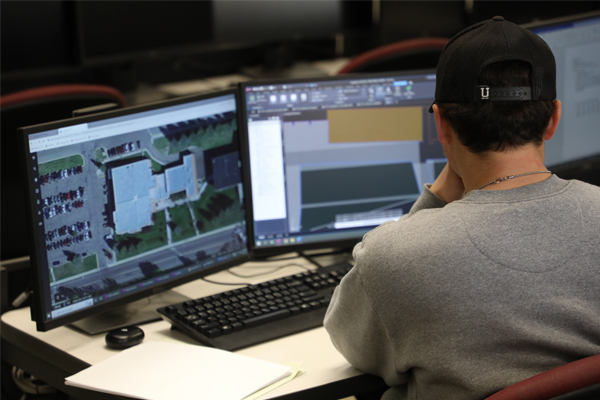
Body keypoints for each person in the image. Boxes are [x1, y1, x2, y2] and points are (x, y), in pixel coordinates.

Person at [324, 16, 600, 400]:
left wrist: (433, 200)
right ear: (553, 118)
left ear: (442, 126)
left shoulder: (396, 255)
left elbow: (353, 347)